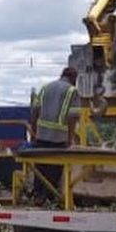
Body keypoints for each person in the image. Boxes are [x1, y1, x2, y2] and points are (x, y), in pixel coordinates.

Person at [28, 66, 80, 200]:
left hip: (41, 136)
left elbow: (34, 111)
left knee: (40, 168)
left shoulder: (45, 87)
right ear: (74, 79)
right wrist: (70, 139)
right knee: (54, 170)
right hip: (59, 139)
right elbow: (72, 117)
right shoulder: (72, 91)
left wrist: (33, 133)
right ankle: (48, 197)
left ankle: (37, 195)